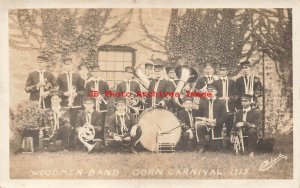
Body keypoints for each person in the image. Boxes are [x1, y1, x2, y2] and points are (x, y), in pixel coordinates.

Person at [194, 83, 226, 153]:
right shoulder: (202, 103)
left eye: (212, 91)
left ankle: (213, 144)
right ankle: (201, 145)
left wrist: (215, 122)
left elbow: (224, 117)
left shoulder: (221, 103)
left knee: (214, 148)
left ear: (216, 92)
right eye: (208, 91)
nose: (210, 92)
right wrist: (202, 121)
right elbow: (200, 116)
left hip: (216, 125)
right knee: (199, 127)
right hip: (205, 125)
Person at [213, 63, 238, 135]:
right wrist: (219, 99)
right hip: (219, 108)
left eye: (224, 70)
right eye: (221, 70)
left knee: (229, 126)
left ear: (227, 71)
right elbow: (212, 95)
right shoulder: (215, 83)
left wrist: (229, 98)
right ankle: (218, 143)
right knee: (218, 126)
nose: (222, 72)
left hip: (229, 108)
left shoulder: (232, 82)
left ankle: (228, 143)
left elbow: (236, 95)